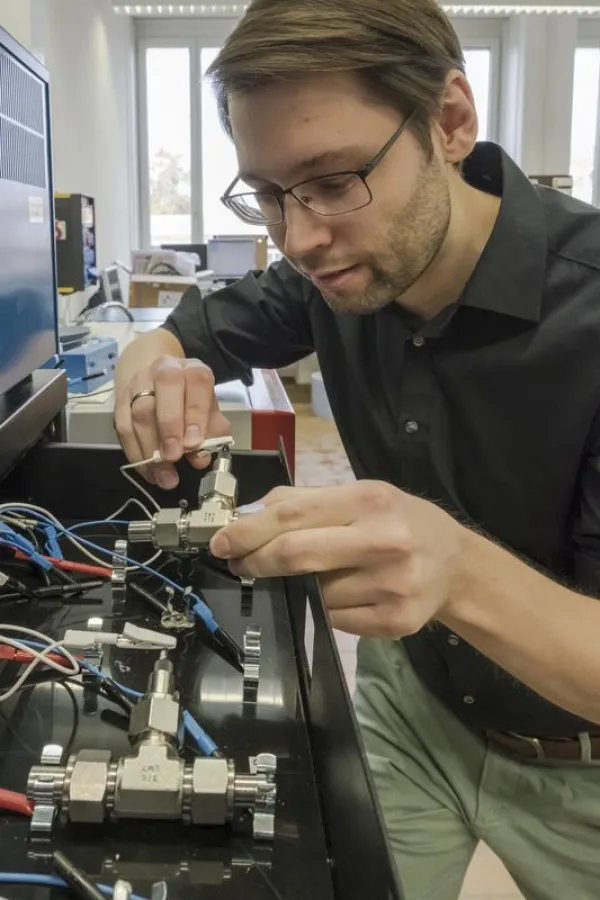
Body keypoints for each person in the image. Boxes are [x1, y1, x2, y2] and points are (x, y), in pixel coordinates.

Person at [115, 1, 600, 897]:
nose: (297, 239)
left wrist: (453, 568)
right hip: (409, 699)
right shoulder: (328, 275)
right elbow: (177, 334)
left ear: (450, 122)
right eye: (268, 193)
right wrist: (148, 374)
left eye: (334, 180)